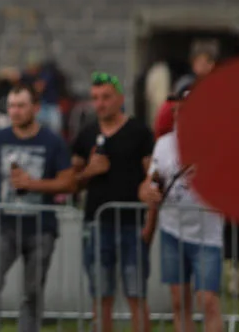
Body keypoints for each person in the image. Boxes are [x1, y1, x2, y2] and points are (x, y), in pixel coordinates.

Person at [0, 86, 75, 332]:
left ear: (35, 108)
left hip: (41, 226)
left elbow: (69, 181)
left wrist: (33, 184)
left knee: (32, 290)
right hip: (5, 224)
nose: (15, 111)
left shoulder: (52, 141)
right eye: (11, 106)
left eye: (21, 105)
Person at [71, 72, 155, 332]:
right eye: (95, 98)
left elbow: (152, 180)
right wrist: (90, 171)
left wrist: (150, 221)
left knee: (136, 294)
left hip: (132, 224)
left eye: (106, 97)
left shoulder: (140, 132)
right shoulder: (86, 135)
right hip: (97, 224)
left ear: (120, 98)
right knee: (101, 295)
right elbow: (71, 182)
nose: (100, 103)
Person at [138, 82, 224, 332]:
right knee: (179, 301)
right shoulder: (164, 144)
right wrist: (147, 191)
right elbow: (150, 182)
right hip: (172, 231)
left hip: (208, 234)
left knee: (208, 301)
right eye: (175, 111)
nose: (179, 116)